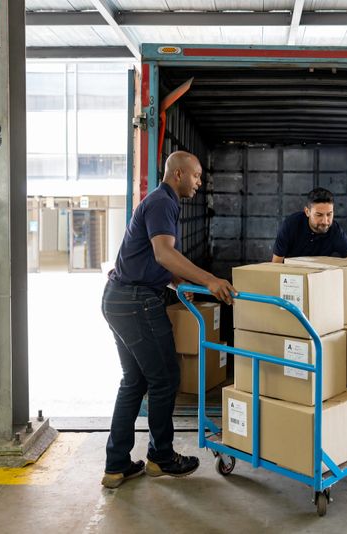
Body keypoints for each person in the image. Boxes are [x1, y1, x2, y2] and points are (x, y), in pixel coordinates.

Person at [101, 151, 237, 489]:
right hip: (136, 302)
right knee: (165, 379)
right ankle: (161, 458)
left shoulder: (160, 202)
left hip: (119, 299)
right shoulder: (163, 202)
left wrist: (177, 284)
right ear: (177, 174)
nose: (199, 182)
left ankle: (116, 465)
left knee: (134, 382)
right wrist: (208, 280)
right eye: (196, 176)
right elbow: (164, 253)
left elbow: (153, 257)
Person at [273, 187, 347, 320]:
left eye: (329, 214)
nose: (325, 221)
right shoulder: (290, 226)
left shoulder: (335, 232)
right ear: (307, 211)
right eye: (319, 215)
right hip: (291, 283)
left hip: (318, 284)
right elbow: (275, 265)